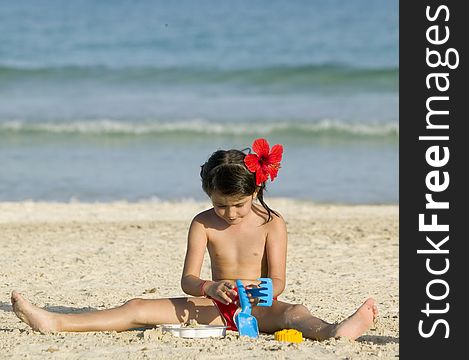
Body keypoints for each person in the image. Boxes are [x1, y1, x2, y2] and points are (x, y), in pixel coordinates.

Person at [11, 138, 378, 340]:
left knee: (296, 313)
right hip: (212, 307)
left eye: (238, 205)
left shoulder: (272, 224)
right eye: (221, 205)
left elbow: (278, 281)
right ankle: (57, 322)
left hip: (259, 310)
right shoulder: (203, 223)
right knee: (137, 307)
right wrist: (210, 286)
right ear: (208, 196)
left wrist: (258, 289)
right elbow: (187, 279)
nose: (230, 214)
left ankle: (334, 332)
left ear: (256, 191)